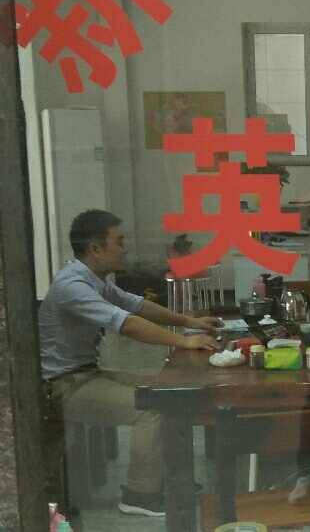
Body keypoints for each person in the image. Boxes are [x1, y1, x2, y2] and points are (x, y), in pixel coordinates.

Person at [39, 209, 222, 517]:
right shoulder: (73, 286)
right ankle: (140, 495)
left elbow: (136, 305)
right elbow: (128, 323)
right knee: (149, 408)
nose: (125, 249)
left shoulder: (95, 279)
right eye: (119, 241)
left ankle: (171, 480)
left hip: (86, 373)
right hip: (63, 385)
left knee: (164, 389)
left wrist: (191, 322)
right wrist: (184, 341)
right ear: (95, 248)